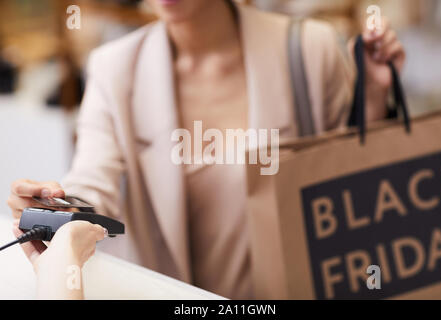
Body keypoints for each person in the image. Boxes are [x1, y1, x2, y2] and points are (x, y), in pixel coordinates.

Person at [8, 0, 405, 299]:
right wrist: (57, 207)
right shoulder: (115, 69)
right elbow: (93, 184)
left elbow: (355, 181)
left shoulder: (308, 49)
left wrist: (372, 97)